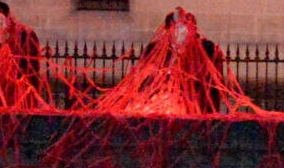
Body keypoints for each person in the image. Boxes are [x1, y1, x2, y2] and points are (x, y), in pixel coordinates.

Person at [100, 8, 242, 118]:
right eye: (175, 28)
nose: (180, 33)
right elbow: (143, 80)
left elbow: (211, 83)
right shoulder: (155, 49)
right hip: (159, 105)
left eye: (184, 27)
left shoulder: (206, 49)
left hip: (194, 108)